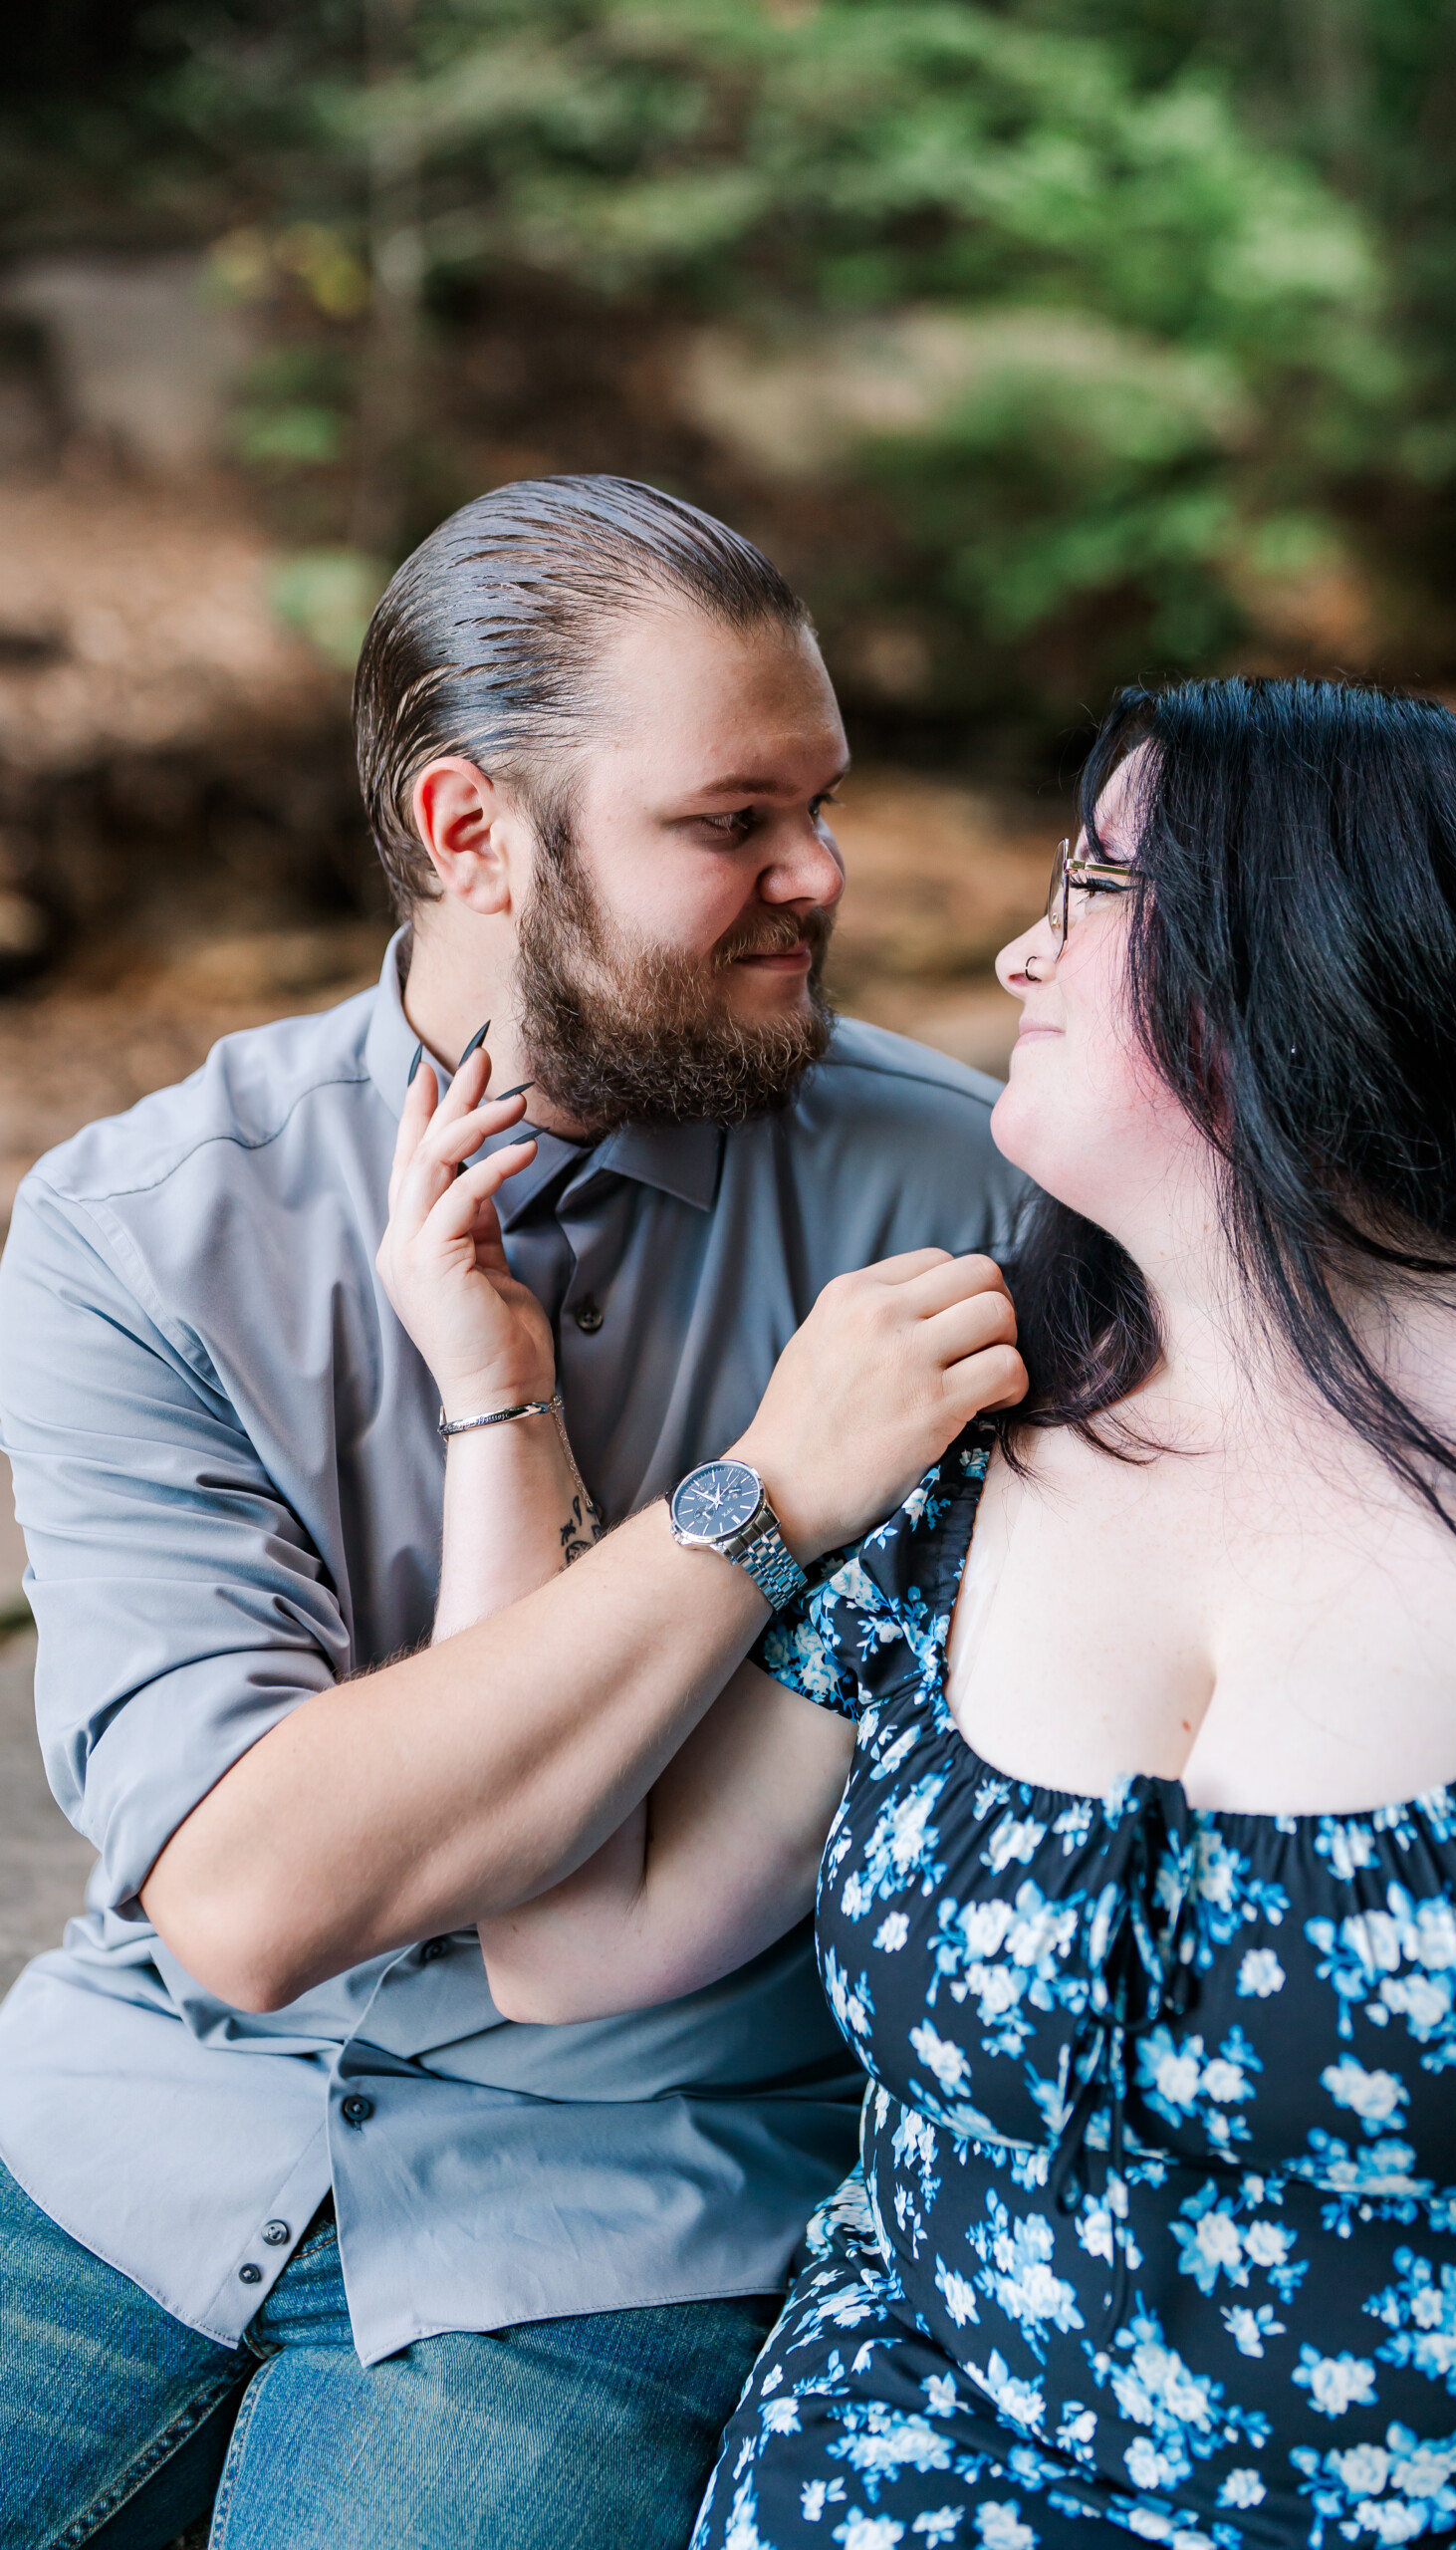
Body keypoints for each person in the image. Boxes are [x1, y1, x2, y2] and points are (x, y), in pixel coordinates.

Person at [375, 676, 1456, 2548]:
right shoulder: (971, 1410)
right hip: (912, 2472)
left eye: (1086, 882)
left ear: (1304, 947)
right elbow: (576, 1941)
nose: (1012, 954)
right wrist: (498, 1395)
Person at [0, 474, 1030, 2550]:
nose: (817, 873)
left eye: (818, 802)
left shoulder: (973, 1205)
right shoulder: (138, 1233)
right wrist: (759, 1495)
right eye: (727, 821)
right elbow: (245, 1898)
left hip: (630, 2194)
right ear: (471, 831)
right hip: (145, 2123)